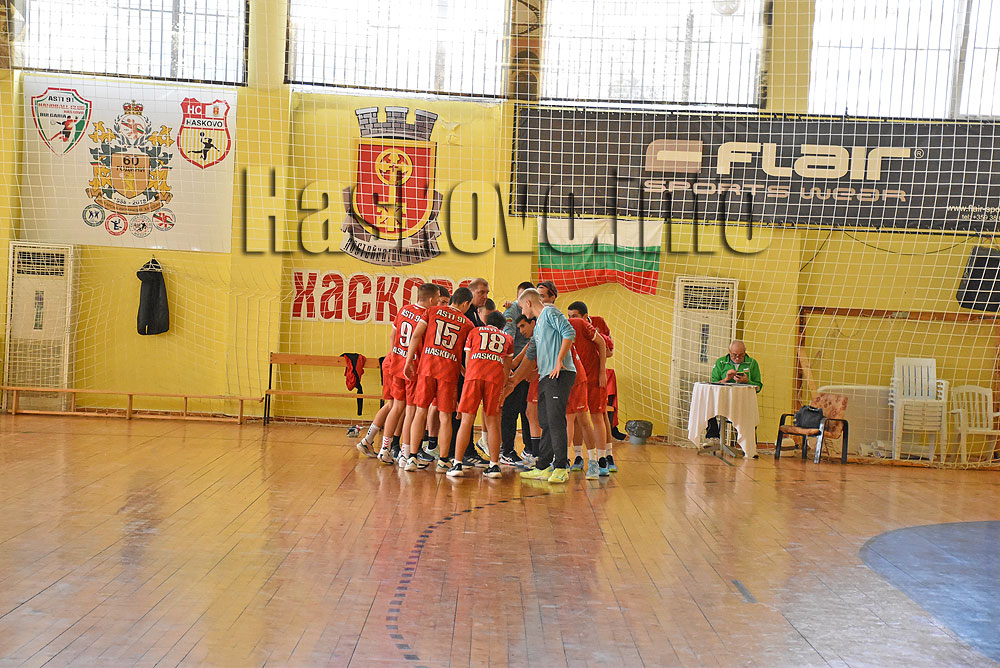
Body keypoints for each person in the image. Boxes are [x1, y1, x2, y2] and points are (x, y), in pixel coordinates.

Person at [404, 287, 475, 473]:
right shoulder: (468, 324)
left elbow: (416, 335)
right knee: (445, 417)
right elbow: (462, 353)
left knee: (421, 411)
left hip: (427, 367)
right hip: (448, 373)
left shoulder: (432, 311)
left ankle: (412, 457)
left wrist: (409, 361)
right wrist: (464, 371)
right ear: (466, 304)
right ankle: (443, 461)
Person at [515, 288, 576, 483]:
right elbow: (530, 354)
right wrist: (514, 378)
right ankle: (543, 466)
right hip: (546, 376)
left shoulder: (549, 312)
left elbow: (569, 332)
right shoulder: (539, 323)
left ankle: (561, 467)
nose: (522, 312)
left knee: (555, 420)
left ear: (529, 303)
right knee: (545, 421)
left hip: (559, 373)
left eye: (522, 307)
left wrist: (559, 360)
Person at [448, 311, 513, 478]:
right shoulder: (507, 338)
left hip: (474, 376)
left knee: (466, 421)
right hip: (495, 379)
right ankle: (494, 466)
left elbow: (468, 359)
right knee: (493, 423)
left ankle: (457, 464)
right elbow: (507, 367)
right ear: (503, 326)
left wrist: (469, 376)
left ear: (486, 322)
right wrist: (503, 385)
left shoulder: (474, 332)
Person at [567, 300, 618, 472]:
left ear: (585, 316)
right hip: (577, 378)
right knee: (577, 417)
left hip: (594, 376)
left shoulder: (597, 323)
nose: (571, 319)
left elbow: (608, 348)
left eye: (575, 316)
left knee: (599, 415)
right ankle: (578, 456)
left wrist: (602, 372)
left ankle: (605, 456)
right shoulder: (569, 327)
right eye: (569, 316)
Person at [500, 281, 537, 464]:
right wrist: (510, 367)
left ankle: (529, 448)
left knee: (527, 409)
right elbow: (508, 340)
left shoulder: (536, 313)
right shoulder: (512, 312)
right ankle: (507, 450)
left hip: (528, 365)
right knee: (511, 409)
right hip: (515, 365)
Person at [705, 340, 763, 444]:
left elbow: (759, 386)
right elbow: (713, 384)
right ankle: (713, 436)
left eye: (741, 355)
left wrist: (747, 381)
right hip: (723, 400)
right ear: (729, 352)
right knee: (708, 403)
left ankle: (748, 444)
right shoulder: (721, 362)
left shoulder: (752, 363)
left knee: (751, 413)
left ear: (745, 352)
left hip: (743, 402)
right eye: (734, 355)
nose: (737, 358)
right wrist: (726, 379)